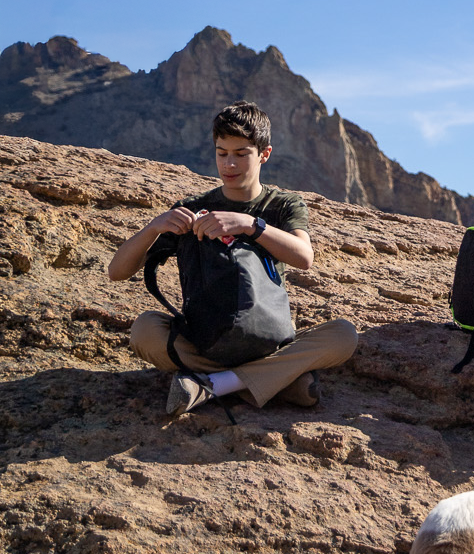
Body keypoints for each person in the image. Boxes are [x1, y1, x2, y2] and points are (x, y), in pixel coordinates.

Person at [109, 101, 357, 416]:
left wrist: (250, 225)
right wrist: (153, 227)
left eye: (241, 154)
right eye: (221, 153)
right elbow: (117, 271)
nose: (229, 164)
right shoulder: (195, 207)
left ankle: (212, 386)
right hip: (206, 340)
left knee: (344, 335)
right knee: (144, 330)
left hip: (267, 339)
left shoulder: (282, 204)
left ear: (264, 154)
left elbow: (303, 256)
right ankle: (273, 381)